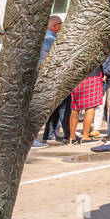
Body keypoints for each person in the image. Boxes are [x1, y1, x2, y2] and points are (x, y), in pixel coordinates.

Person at [38, 15, 70, 146]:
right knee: (63, 107)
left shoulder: (44, 37)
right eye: (60, 24)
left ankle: (49, 133)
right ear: (55, 25)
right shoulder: (51, 39)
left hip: (46, 77)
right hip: (52, 77)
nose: (61, 27)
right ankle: (68, 134)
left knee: (52, 108)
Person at [69, 67, 103, 143]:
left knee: (75, 107)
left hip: (76, 76)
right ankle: (85, 137)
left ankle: (72, 138)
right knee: (91, 106)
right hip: (92, 75)